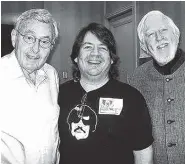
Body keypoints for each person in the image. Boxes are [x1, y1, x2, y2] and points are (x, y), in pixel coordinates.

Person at [58, 22, 153, 164]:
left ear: (112, 58)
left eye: (102, 48)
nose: (95, 53)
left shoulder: (132, 98)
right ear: (76, 57)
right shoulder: (59, 94)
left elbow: (143, 153)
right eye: (88, 47)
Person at [1, 9, 60, 164]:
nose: (36, 49)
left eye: (44, 41)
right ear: (14, 38)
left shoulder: (51, 74)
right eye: (29, 38)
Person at [128, 11, 185, 164]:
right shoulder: (135, 79)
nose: (159, 38)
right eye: (151, 34)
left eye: (164, 30)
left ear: (176, 34)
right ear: (144, 46)